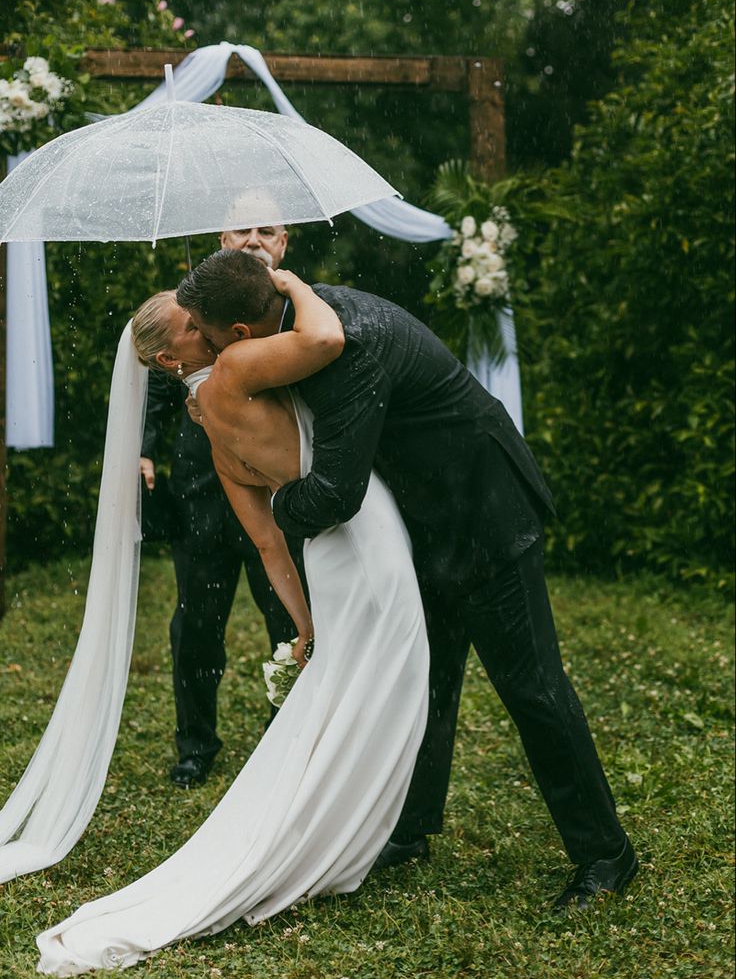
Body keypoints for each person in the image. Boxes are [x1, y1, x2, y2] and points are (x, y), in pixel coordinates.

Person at [179, 249, 638, 910]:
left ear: (243, 334)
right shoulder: (300, 323)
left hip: (484, 513)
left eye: (210, 336)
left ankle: (605, 855)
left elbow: (334, 494)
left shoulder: (345, 351)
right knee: (427, 680)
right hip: (423, 527)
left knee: (532, 688)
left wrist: (272, 500)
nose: (206, 349)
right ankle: (412, 828)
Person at [36, 269, 429, 973]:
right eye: (192, 324)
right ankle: (353, 837)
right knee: (396, 690)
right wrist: (288, 277)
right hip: (367, 535)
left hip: (331, 564)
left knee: (358, 690)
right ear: (171, 357)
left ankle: (345, 833)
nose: (210, 324)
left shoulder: (214, 430)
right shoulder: (244, 365)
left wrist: (308, 627)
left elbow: (273, 544)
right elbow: (327, 335)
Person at [141, 224, 296, 788]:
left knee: (285, 615)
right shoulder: (185, 320)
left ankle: (293, 731)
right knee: (197, 626)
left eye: (267, 230)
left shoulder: (289, 316)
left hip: (274, 496)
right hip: (201, 493)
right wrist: (145, 451)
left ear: (285, 244)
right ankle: (195, 745)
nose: (254, 240)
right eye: (241, 230)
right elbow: (157, 386)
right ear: (221, 239)